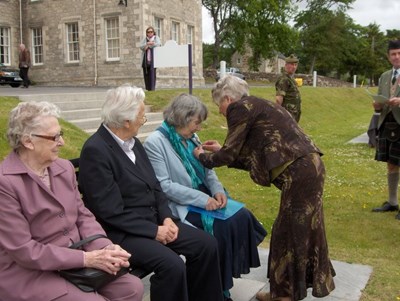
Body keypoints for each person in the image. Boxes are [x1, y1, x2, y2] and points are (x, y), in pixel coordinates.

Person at [193, 75, 336, 301]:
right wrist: (221, 149)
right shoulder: (258, 106)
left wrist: (203, 157)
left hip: (299, 172)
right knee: (300, 230)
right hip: (310, 167)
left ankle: (283, 295)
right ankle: (285, 291)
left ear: (228, 98)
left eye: (219, 105)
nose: (221, 111)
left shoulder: (239, 108)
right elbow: (247, 157)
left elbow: (229, 154)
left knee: (287, 233)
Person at [78, 84, 224, 301]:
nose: (143, 120)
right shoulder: (96, 150)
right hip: (123, 232)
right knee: (172, 265)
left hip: (154, 221)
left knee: (206, 245)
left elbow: (155, 186)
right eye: (141, 116)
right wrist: (154, 230)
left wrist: (166, 218)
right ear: (126, 121)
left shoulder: (133, 142)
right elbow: (110, 212)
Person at [0, 101, 143, 301]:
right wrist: (86, 259)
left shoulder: (63, 168)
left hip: (74, 259)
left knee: (132, 288)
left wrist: (104, 247)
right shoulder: (5, 183)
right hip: (29, 272)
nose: (62, 143)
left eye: (61, 135)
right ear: (28, 141)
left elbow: (83, 215)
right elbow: (24, 250)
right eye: (54, 137)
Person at [144, 93, 267, 301]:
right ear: (182, 118)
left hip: (203, 197)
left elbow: (208, 169)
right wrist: (203, 200)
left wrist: (217, 190)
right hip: (181, 204)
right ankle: (213, 291)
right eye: (196, 123)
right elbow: (164, 186)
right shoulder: (155, 142)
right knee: (220, 228)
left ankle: (221, 282)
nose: (198, 128)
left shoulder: (190, 137)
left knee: (242, 217)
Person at [371, 39, 400, 220]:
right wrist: (377, 105)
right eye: (393, 54)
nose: (396, 57)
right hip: (388, 124)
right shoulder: (384, 77)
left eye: (399, 53)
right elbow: (377, 106)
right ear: (388, 57)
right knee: (391, 163)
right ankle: (392, 202)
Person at [275, 54, 301, 122]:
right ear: (286, 65)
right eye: (292, 64)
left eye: (295, 65)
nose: (294, 67)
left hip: (293, 114)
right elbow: (278, 99)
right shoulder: (284, 79)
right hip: (287, 115)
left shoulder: (291, 79)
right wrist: (279, 115)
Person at [139, 26, 161, 91]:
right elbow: (141, 46)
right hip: (145, 60)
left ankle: (152, 88)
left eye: (151, 32)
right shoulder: (145, 39)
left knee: (152, 74)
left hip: (153, 60)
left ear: (153, 32)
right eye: (148, 32)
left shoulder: (156, 38)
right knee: (146, 74)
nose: (150, 33)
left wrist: (150, 44)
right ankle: (148, 89)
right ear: (147, 33)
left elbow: (159, 44)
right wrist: (146, 44)